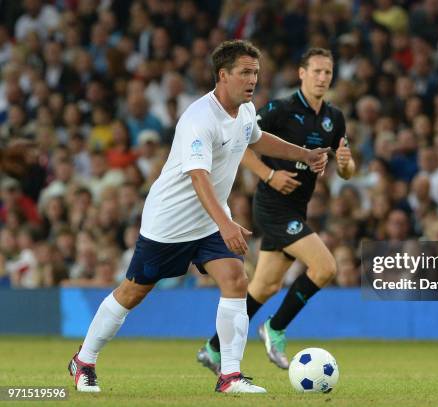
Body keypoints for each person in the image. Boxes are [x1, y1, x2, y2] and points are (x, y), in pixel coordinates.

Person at [67, 40, 329, 394]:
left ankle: (230, 376)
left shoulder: (246, 110)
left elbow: (258, 139)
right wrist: (226, 222)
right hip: (169, 223)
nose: (253, 80)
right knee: (132, 292)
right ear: (223, 75)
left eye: (256, 73)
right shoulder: (198, 118)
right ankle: (84, 360)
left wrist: (304, 153)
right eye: (245, 73)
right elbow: (198, 177)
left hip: (207, 222)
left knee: (236, 279)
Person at [197, 48, 355, 374]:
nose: (322, 77)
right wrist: (269, 174)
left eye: (328, 72)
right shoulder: (280, 109)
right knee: (325, 267)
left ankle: (213, 349)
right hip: (272, 205)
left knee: (265, 286)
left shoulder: (334, 118)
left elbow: (347, 168)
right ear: (302, 73)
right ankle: (275, 328)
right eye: (317, 71)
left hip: (298, 207)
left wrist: (344, 164)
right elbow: (241, 143)